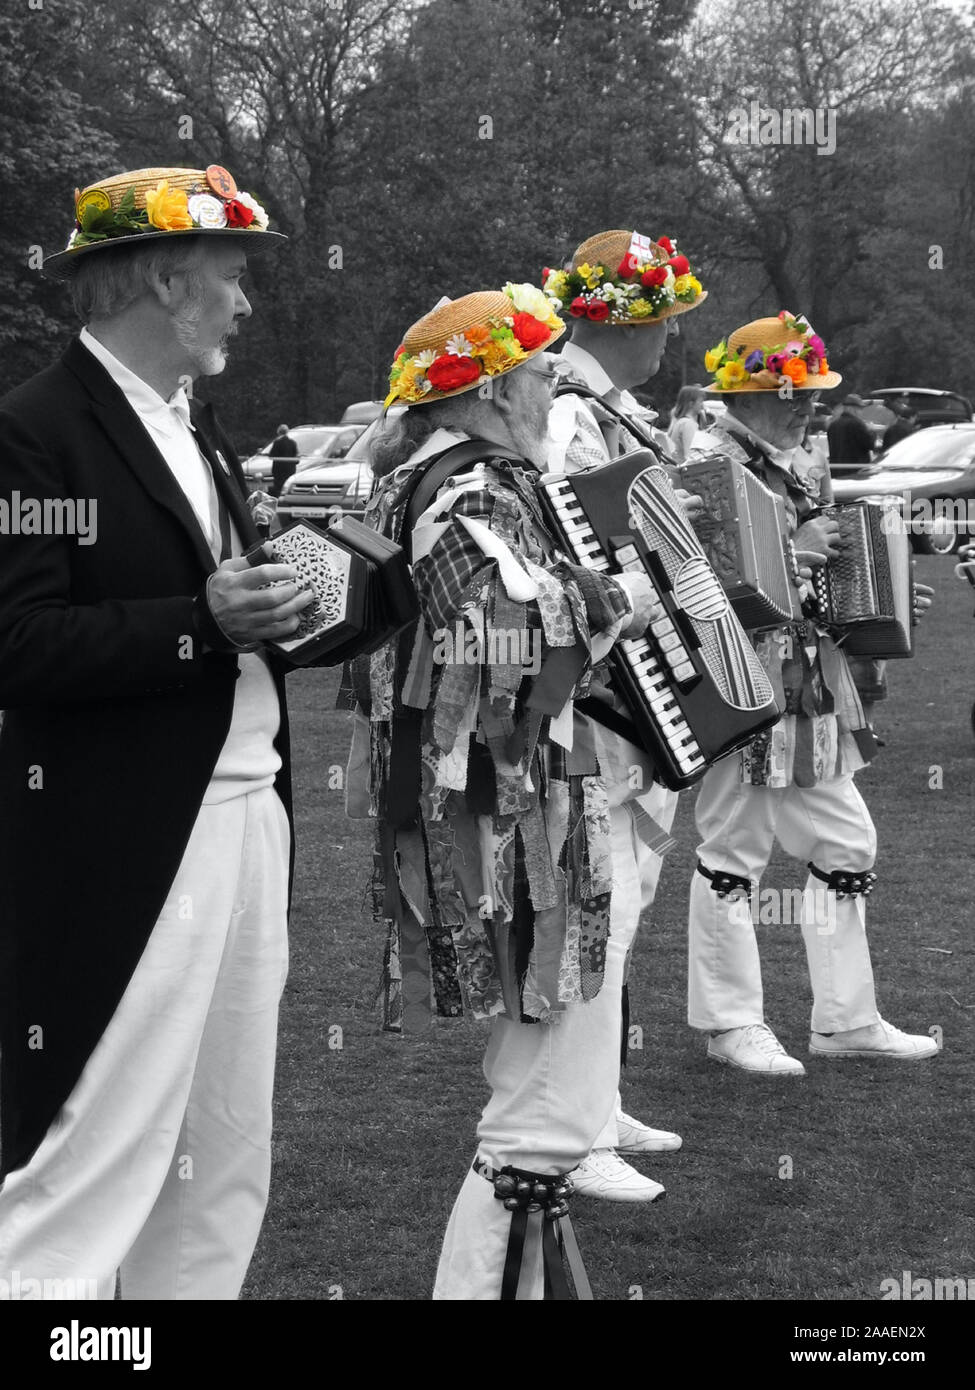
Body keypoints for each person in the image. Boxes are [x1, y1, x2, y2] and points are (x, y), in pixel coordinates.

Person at [0, 163, 313, 1299]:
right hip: (127, 837)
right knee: (93, 1154)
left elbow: (225, 609)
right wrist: (200, 621)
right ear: (167, 281)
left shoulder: (197, 423)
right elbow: (18, 644)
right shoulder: (33, 431)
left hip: (246, 814)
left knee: (222, 1149)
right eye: (231, 277)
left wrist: (314, 603)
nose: (245, 303)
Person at [343, 284, 661, 1299]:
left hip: (515, 800)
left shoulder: (446, 477)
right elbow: (499, 650)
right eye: (534, 373)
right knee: (543, 1097)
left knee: (545, 1069)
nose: (547, 389)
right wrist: (622, 599)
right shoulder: (470, 489)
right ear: (487, 389)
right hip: (511, 805)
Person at [686, 314, 938, 1073]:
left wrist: (880, 597)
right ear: (746, 395)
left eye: (810, 394)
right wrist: (793, 553)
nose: (807, 407)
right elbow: (701, 586)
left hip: (804, 685)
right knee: (733, 848)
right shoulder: (708, 462)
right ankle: (730, 1023)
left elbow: (811, 576)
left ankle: (845, 1019)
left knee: (845, 843)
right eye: (792, 393)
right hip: (741, 683)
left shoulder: (783, 460)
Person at [540, 228, 707, 1202]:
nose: (673, 333)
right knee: (597, 904)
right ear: (626, 320)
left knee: (626, 897)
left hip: (634, 681)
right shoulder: (569, 411)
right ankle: (570, 1132)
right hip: (598, 691)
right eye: (665, 316)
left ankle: (596, 1103)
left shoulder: (612, 410)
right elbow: (573, 550)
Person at [827, 393, 874, 467]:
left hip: (837, 469)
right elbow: (870, 445)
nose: (861, 412)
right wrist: (871, 431)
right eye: (859, 409)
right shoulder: (857, 424)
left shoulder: (833, 425)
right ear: (851, 408)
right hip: (856, 469)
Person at [667, 383, 710, 462]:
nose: (702, 406)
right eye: (700, 401)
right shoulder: (688, 424)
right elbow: (690, 456)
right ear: (691, 404)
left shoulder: (681, 421)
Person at [269, 422, 299, 496]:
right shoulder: (293, 443)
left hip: (279, 469)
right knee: (287, 486)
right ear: (287, 432)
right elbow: (296, 458)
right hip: (290, 469)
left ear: (278, 432)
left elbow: (271, 455)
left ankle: (278, 499)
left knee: (278, 487)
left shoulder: (277, 442)